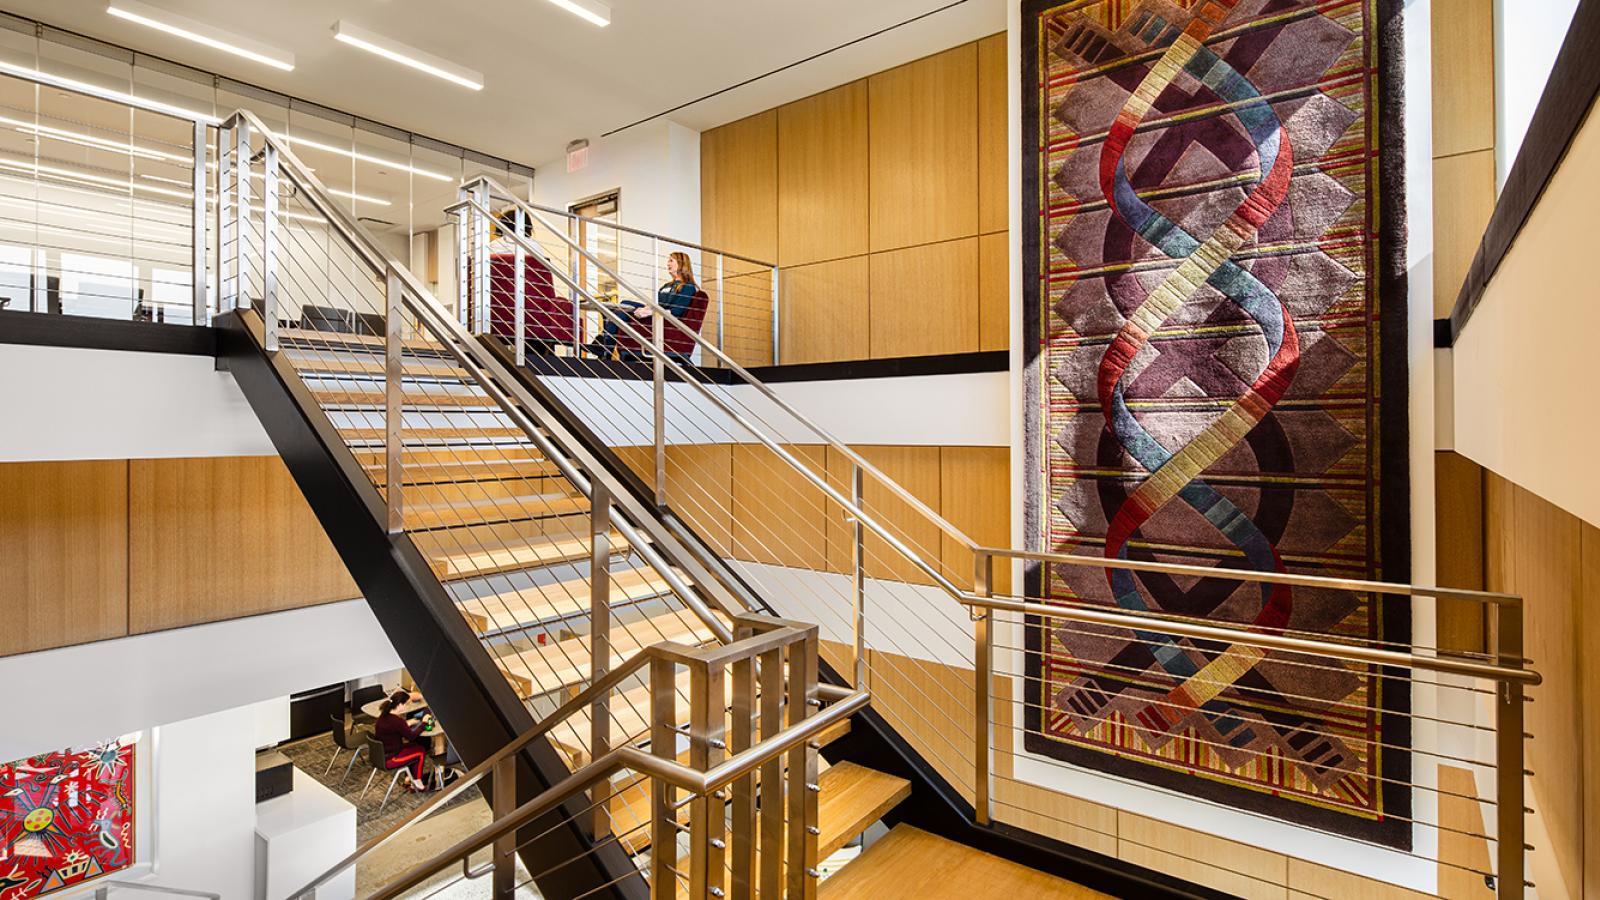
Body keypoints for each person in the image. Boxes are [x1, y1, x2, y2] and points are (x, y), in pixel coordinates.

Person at [587, 251, 698, 359]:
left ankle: (604, 346)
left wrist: (650, 312)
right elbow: (656, 304)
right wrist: (646, 309)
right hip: (655, 313)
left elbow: (677, 312)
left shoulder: (687, 287)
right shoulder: (667, 285)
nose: (667, 264)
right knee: (624, 305)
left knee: (622, 310)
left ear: (681, 263)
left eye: (671, 261)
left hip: (663, 321)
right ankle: (604, 346)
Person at [373, 690, 434, 792]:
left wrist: (407, 723)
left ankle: (408, 778)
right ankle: (417, 782)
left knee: (414, 746)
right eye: (406, 704)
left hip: (381, 754)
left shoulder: (383, 716)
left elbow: (395, 728)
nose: (407, 707)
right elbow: (412, 736)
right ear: (400, 704)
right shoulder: (397, 721)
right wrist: (423, 723)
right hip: (391, 759)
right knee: (420, 751)